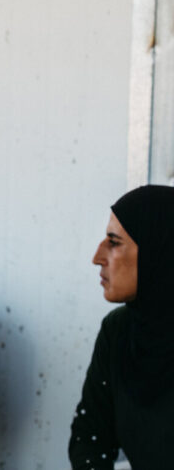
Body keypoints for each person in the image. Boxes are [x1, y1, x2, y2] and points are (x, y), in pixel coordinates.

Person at [69, 185, 174, 469]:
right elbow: (90, 438)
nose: (97, 257)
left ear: (158, 250)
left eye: (114, 243)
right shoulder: (119, 331)